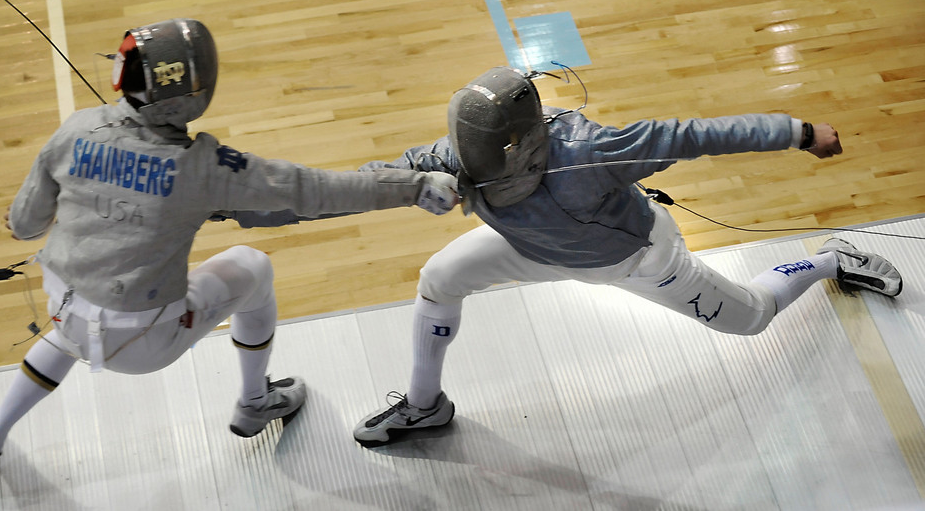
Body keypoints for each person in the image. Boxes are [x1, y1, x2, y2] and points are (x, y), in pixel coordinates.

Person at [0, 18, 459, 482]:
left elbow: (25, 224)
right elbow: (313, 190)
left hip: (61, 306)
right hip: (144, 339)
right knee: (253, 267)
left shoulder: (75, 128)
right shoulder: (206, 167)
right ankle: (254, 401)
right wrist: (413, 186)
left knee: (74, 326)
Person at [351, 66, 903, 447]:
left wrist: (799, 132)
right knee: (440, 276)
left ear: (520, 144)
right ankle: (426, 405)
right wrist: (410, 183)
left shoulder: (587, 153)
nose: (470, 171)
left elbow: (689, 136)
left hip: (638, 261)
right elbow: (375, 177)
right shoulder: (455, 157)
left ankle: (832, 259)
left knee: (753, 318)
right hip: (531, 249)